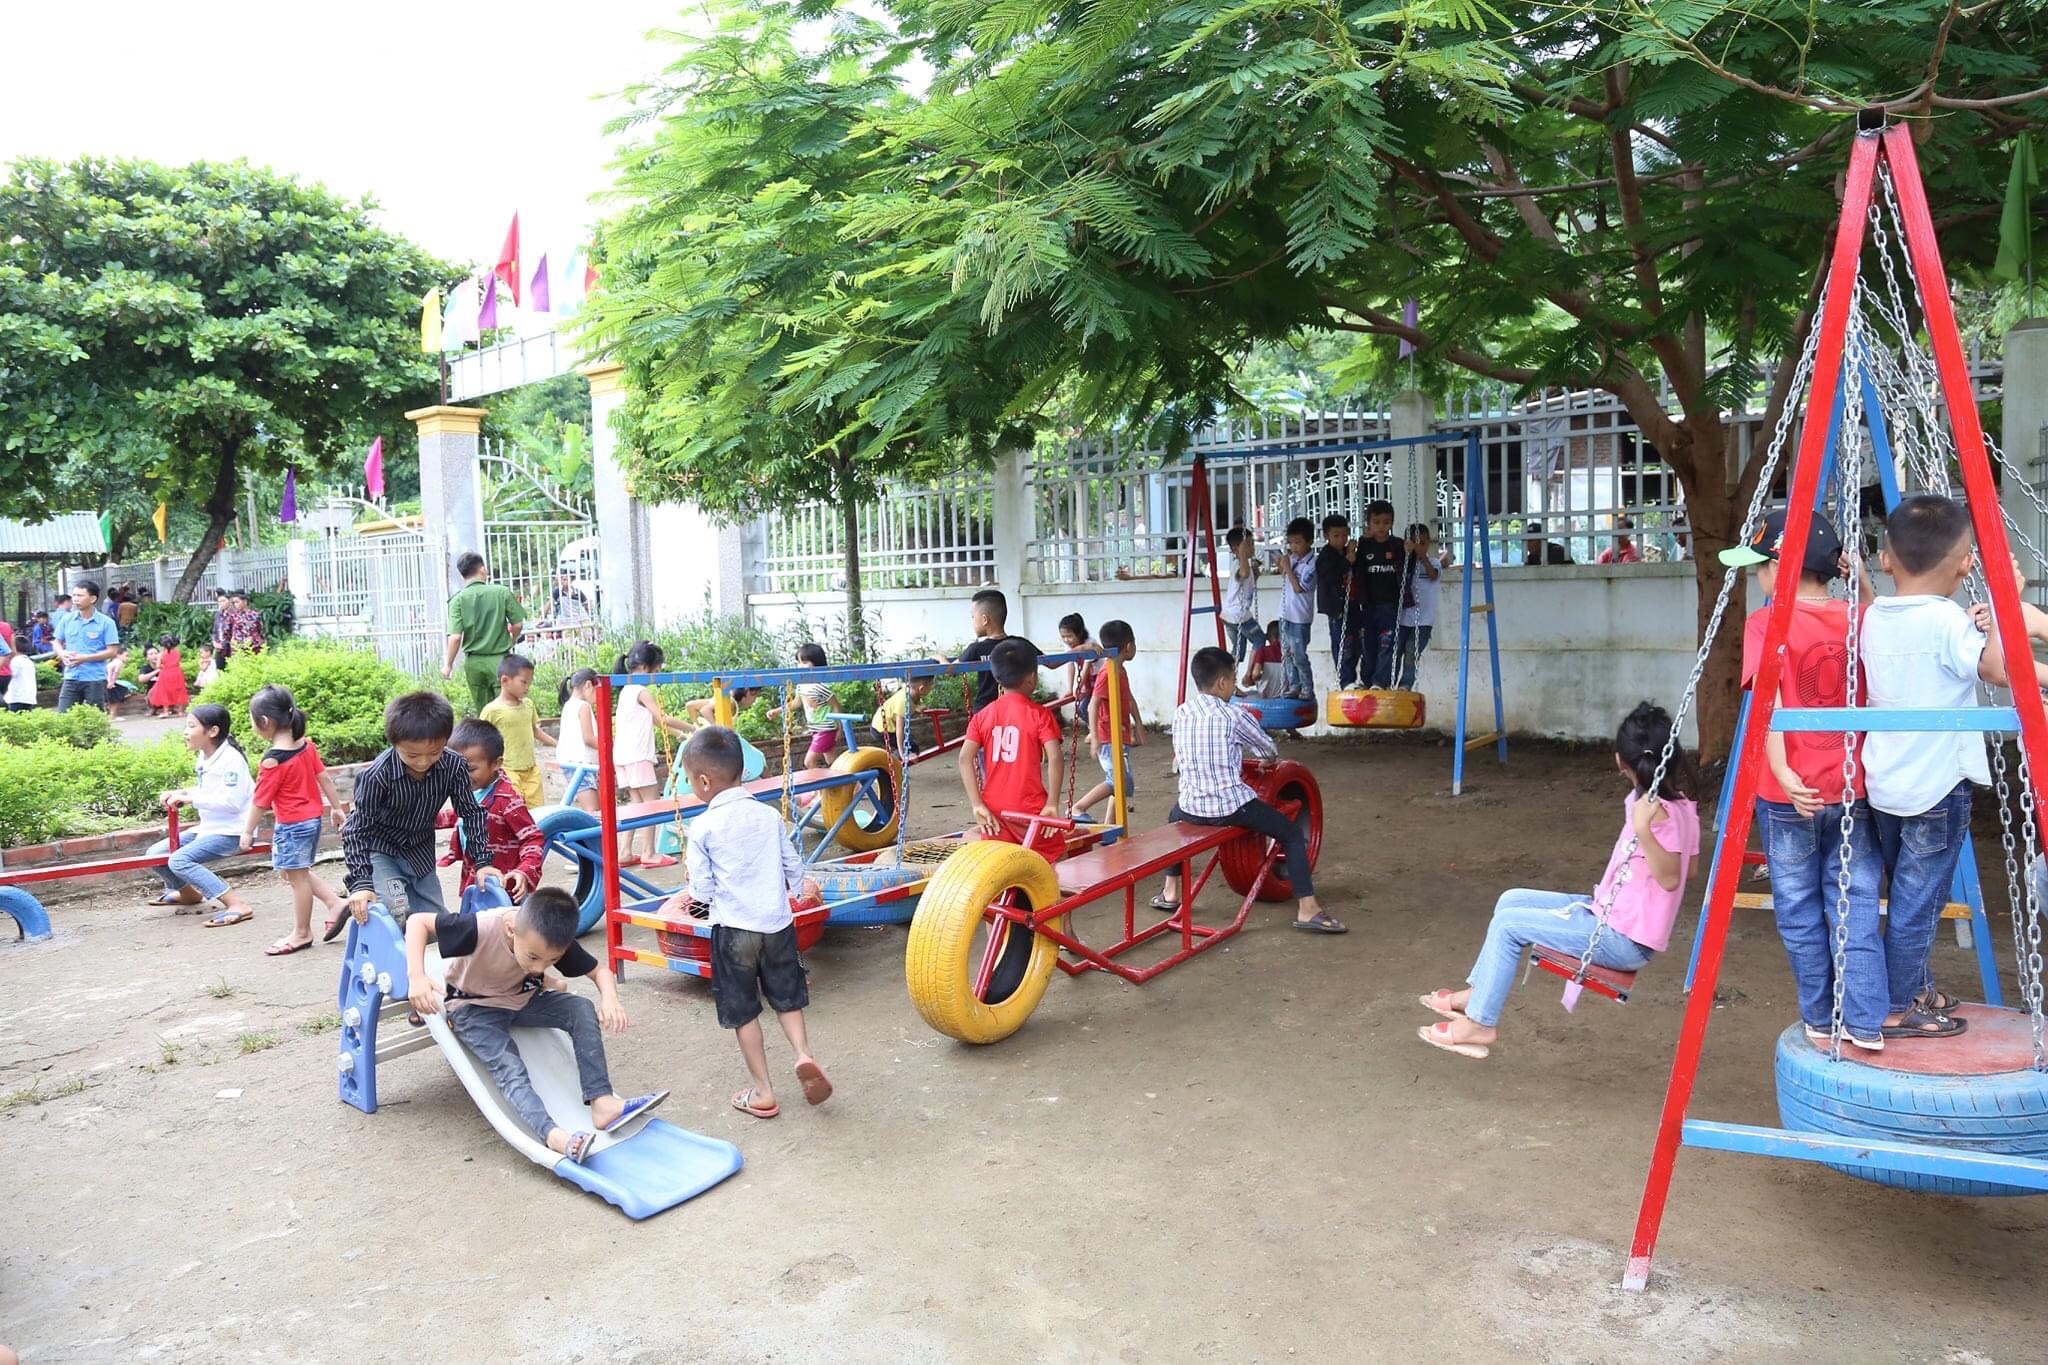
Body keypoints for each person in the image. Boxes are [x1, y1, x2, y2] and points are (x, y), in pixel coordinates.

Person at [1417, 701, 1701, 1058]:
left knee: (1508, 925)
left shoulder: (1657, 814)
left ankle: (1480, 1023)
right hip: (1607, 913)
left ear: (1619, 761)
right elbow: (1690, 869)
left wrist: (1644, 830)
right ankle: (1479, 993)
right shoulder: (1678, 806)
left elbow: (1673, 879)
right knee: (1510, 899)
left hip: (1624, 940)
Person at [1724, 509, 1885, 1050]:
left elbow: (1767, 700)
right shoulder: (1858, 619)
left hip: (1786, 793)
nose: (1758, 577)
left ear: (1778, 566)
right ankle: (1864, 1021)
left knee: (1797, 910)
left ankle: (1819, 1017)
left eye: (1759, 567)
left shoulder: (1766, 622)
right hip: (1851, 787)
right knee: (1854, 901)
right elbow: (1880, 620)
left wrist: (1782, 770)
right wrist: (1861, 581)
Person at [1860, 494, 2008, 1040]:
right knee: (1918, 906)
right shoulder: (1948, 620)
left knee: (1905, 896)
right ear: (1966, 563)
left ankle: (1915, 987)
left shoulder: (1875, 616)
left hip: (1886, 784)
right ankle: (1901, 1005)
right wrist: (2000, 617)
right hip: (1939, 790)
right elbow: (1997, 671)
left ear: (1886, 559)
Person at [403, 886, 664, 1160]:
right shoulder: (479, 927)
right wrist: (416, 977)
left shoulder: (550, 938)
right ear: (510, 930)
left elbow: (599, 971)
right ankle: (553, 1135)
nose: (540, 966)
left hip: (522, 998)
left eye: (552, 960)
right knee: (509, 1066)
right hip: (474, 1007)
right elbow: (417, 922)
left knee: (580, 1008)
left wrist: (610, 999)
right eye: (533, 957)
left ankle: (602, 1102)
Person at [681, 725, 832, 1120]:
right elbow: (792, 865)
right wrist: (796, 891)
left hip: (734, 930)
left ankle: (764, 1091)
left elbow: (701, 889)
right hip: (777, 925)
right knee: (787, 997)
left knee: (744, 1010)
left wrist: (699, 897)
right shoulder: (768, 816)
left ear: (704, 781)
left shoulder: (703, 827)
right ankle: (802, 1053)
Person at [1154, 646, 1343, 930]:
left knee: (1174, 819)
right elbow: (1268, 749)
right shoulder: (1233, 715)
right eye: (1233, 680)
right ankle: (1308, 909)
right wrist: (1265, 761)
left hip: (1190, 807)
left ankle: (1170, 892)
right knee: (1292, 834)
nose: (1234, 686)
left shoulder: (1181, 713)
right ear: (1222, 682)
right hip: (1231, 808)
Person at [340, 691, 491, 927]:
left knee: (437, 924)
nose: (423, 762)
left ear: (445, 741)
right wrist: (361, 882)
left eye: (434, 753)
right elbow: (356, 829)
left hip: (420, 851)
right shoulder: (376, 776)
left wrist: (483, 862)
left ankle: (372, 901)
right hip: (381, 849)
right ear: (394, 743)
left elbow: (471, 813)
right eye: (412, 755)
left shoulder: (454, 765)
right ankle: (365, 900)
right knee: (395, 911)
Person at [242, 685, 348, 955]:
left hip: (292, 825)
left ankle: (302, 932)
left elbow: (260, 801)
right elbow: (324, 778)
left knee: (297, 878)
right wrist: (336, 808)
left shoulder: (273, 761)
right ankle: (335, 903)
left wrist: (247, 831)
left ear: (264, 721)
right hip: (311, 820)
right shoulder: (305, 745)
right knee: (290, 871)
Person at [145, 704, 259, 927]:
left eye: (191, 726)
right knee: (155, 853)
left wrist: (191, 799)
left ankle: (237, 905)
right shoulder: (205, 756)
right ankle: (188, 894)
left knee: (179, 860)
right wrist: (182, 793)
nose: (185, 732)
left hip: (233, 831)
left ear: (213, 731)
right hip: (211, 827)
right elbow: (207, 790)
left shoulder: (231, 760)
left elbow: (232, 802)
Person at [959, 638, 1066, 856]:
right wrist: (1052, 803)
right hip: (1029, 809)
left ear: (997, 677)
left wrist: (977, 804)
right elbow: (1055, 757)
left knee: (1003, 862)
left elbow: (964, 759)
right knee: (1056, 856)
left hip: (993, 810)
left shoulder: (983, 716)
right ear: (1032, 677)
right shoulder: (1039, 715)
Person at [439, 717, 546, 900]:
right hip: (476, 878)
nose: (461, 776)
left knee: (502, 919)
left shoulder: (507, 801)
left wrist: (523, 871)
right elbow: (462, 814)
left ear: (496, 763)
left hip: (504, 887)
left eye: (470, 769)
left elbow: (532, 838)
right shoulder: (472, 790)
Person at [612, 641, 690, 869]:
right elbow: (662, 717)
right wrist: (693, 727)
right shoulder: (641, 690)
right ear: (645, 668)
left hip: (623, 756)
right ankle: (649, 852)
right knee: (651, 804)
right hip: (638, 756)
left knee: (636, 802)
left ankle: (625, 851)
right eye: (656, 671)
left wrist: (678, 734)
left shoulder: (626, 689)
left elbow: (654, 719)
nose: (656, 676)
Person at [1071, 619, 1144, 820]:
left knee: (1121, 781)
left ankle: (1111, 825)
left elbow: (1129, 698)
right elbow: (1093, 704)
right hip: (1108, 735)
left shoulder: (1120, 670)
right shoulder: (1107, 671)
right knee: (1118, 780)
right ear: (1128, 646)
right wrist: (1095, 736)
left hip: (1120, 735)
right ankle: (1078, 808)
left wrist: (1138, 724)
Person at [441, 552, 526, 714]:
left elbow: (455, 637)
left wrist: (448, 665)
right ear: (482, 570)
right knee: (507, 708)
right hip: (500, 661)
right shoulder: (502, 592)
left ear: (462, 576)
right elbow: (517, 624)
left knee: (484, 713)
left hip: (474, 663)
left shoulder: (457, 600)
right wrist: (512, 639)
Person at [1341, 499, 1403, 691]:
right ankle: (1367, 681)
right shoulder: (1364, 545)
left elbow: (1408, 567)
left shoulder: (1398, 546)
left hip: (1390, 604)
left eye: (1386, 522)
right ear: (1369, 524)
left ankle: (1380, 682)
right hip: (1367, 604)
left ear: (1392, 523)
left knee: (1387, 644)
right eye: (1376, 522)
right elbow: (1354, 568)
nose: (1381, 527)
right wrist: (1352, 553)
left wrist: (1411, 551)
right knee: (1368, 645)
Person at [479, 652, 552, 808]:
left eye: (529, 682)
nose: (527, 687)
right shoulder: (492, 710)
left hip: (531, 770)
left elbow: (534, 730)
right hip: (507, 771)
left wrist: (557, 744)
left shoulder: (528, 705)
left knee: (537, 812)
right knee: (515, 810)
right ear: (505, 680)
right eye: (523, 682)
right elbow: (480, 740)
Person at [955, 588, 1039, 716]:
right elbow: (1052, 663)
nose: (972, 621)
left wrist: (940, 658)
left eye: (973, 617)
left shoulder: (976, 649)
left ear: (985, 619)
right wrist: (1072, 651)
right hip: (1015, 710)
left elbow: (950, 670)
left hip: (985, 712)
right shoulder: (1020, 644)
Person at [1394, 523, 1451, 691]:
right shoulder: (1403, 564)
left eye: (1423, 543)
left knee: (1411, 653)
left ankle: (1405, 685)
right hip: (1403, 619)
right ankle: (1389, 684)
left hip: (1423, 621)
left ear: (1428, 543)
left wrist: (1422, 556)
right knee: (1395, 653)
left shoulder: (1434, 563)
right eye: (1414, 543)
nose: (1418, 547)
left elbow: (1433, 575)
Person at [766, 643, 837, 771]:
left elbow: (836, 707)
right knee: (832, 760)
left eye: (804, 662)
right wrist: (777, 711)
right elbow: (796, 703)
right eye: (798, 662)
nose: (800, 666)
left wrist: (840, 728)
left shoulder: (821, 687)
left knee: (809, 762)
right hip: (815, 729)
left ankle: (821, 783)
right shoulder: (802, 685)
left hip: (826, 729)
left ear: (816, 663)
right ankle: (848, 780)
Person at [52, 578, 118, 712]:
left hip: (94, 678)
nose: (75, 599)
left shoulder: (106, 623)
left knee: (94, 717)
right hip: (71, 676)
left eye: (80, 595)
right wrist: (62, 653)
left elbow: (112, 651)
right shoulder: (67, 619)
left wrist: (85, 658)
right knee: (63, 716)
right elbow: (57, 642)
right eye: (74, 595)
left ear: (93, 599)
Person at [1279, 518, 1317, 700]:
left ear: (1309, 541)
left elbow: (1298, 588)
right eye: (1291, 542)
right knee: (1286, 653)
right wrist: (1284, 565)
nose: (1293, 547)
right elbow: (1282, 572)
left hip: (1299, 617)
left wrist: (1287, 568)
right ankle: (1294, 686)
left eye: (1297, 542)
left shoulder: (1312, 564)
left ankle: (1307, 687)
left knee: (1298, 654)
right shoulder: (1293, 559)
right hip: (1285, 614)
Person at [555, 669, 602, 813]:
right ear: (588, 685)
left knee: (593, 809)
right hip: (581, 763)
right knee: (592, 811)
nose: (598, 696)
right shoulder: (583, 706)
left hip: (571, 762)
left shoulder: (569, 705)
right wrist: (609, 747)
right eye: (597, 690)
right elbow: (588, 738)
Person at [1313, 513, 1352, 675]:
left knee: (1352, 643)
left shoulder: (1346, 551)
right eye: (1336, 536)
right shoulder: (1325, 556)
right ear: (1326, 536)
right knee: (1340, 642)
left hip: (1350, 604)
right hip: (1335, 607)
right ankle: (1343, 678)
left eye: (1344, 535)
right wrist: (1347, 561)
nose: (1341, 540)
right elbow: (1331, 576)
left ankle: (1350, 677)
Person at [1221, 527, 1265, 661]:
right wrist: (1242, 554)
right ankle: (1251, 671)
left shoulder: (1245, 565)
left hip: (1229, 615)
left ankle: (1228, 672)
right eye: (1248, 544)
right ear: (1236, 550)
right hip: (1238, 615)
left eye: (1253, 543)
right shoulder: (1238, 564)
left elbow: (1247, 583)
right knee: (1259, 639)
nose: (1252, 547)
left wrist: (1255, 573)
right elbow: (1244, 574)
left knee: (1238, 651)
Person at [1056, 613, 1099, 731]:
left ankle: (1100, 730)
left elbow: (1086, 667)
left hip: (1098, 677)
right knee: (1082, 709)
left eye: (1069, 636)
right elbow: (1070, 665)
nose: (1066, 640)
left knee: (1095, 707)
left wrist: (1079, 688)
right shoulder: (1068, 646)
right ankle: (1095, 730)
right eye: (1063, 636)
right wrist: (1070, 689)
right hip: (1087, 682)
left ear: (1079, 633)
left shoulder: (1090, 643)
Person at [872, 673, 935, 748]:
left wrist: (917, 708)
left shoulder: (911, 693)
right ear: (922, 688)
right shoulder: (903, 701)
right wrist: (903, 752)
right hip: (881, 730)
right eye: (931, 685)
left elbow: (909, 707)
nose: (932, 687)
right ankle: (900, 754)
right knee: (912, 748)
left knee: (910, 742)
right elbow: (900, 730)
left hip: (888, 725)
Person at [148, 634, 188, 716]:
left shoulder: (161, 654)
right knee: (179, 690)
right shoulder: (177, 653)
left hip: (165, 673)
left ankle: (166, 712)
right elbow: (178, 662)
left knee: (165, 691)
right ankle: (180, 711)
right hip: (176, 672)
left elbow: (158, 666)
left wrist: (164, 666)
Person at [227, 590, 266, 656]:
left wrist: (254, 639)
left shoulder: (254, 615)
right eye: (234, 603)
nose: (235, 604)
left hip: (254, 647)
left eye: (237, 602)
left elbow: (260, 630)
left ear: (245, 602)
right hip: (237, 648)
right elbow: (228, 631)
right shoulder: (233, 616)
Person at [5, 640, 35, 712]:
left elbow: (9, 674)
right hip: (29, 698)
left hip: (16, 697)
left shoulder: (15, 661)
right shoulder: (29, 661)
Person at [210, 587, 234, 664]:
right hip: (218, 647)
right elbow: (214, 631)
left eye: (224, 601)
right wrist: (214, 642)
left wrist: (224, 644)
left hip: (231, 647)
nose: (221, 603)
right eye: (219, 601)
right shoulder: (218, 615)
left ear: (229, 601)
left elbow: (234, 632)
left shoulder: (234, 614)